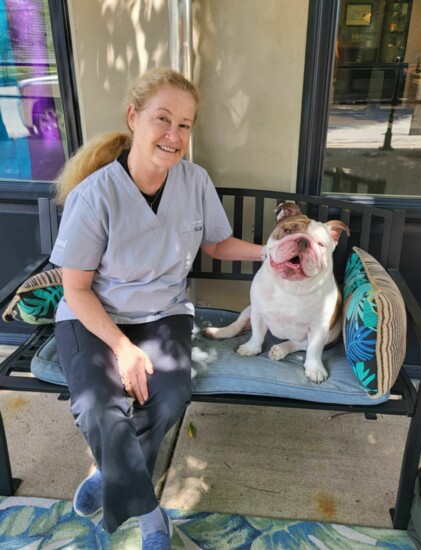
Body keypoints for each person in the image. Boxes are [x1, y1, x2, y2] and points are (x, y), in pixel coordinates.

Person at [49, 67, 264, 549]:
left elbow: (216, 243)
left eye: (184, 125)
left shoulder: (194, 181)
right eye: (162, 119)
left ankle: (112, 477)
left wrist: (269, 252)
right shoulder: (96, 195)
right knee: (97, 408)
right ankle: (151, 517)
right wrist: (123, 348)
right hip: (95, 316)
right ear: (133, 117)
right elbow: (76, 289)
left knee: (168, 399)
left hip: (164, 314)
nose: (174, 135)